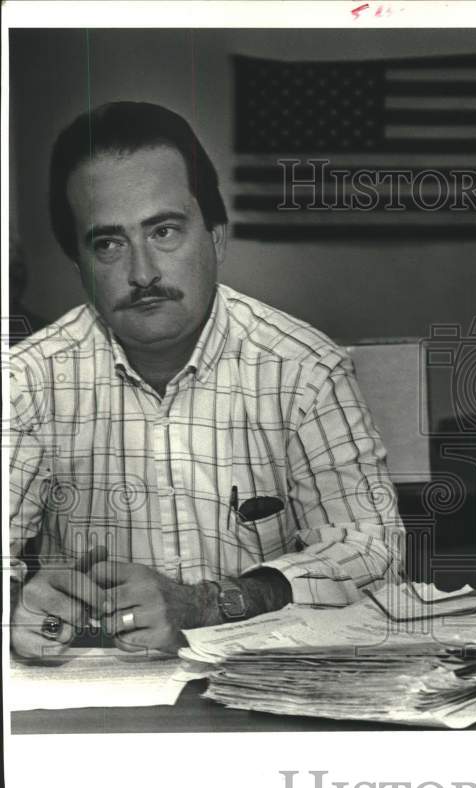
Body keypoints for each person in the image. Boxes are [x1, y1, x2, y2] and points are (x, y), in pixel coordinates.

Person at [8, 101, 404, 658]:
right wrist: (15, 605)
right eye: (109, 244)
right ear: (79, 265)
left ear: (216, 237)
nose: (143, 273)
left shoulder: (305, 370)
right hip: (96, 695)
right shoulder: (25, 383)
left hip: (266, 689)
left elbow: (374, 550)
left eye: (164, 231)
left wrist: (213, 603)